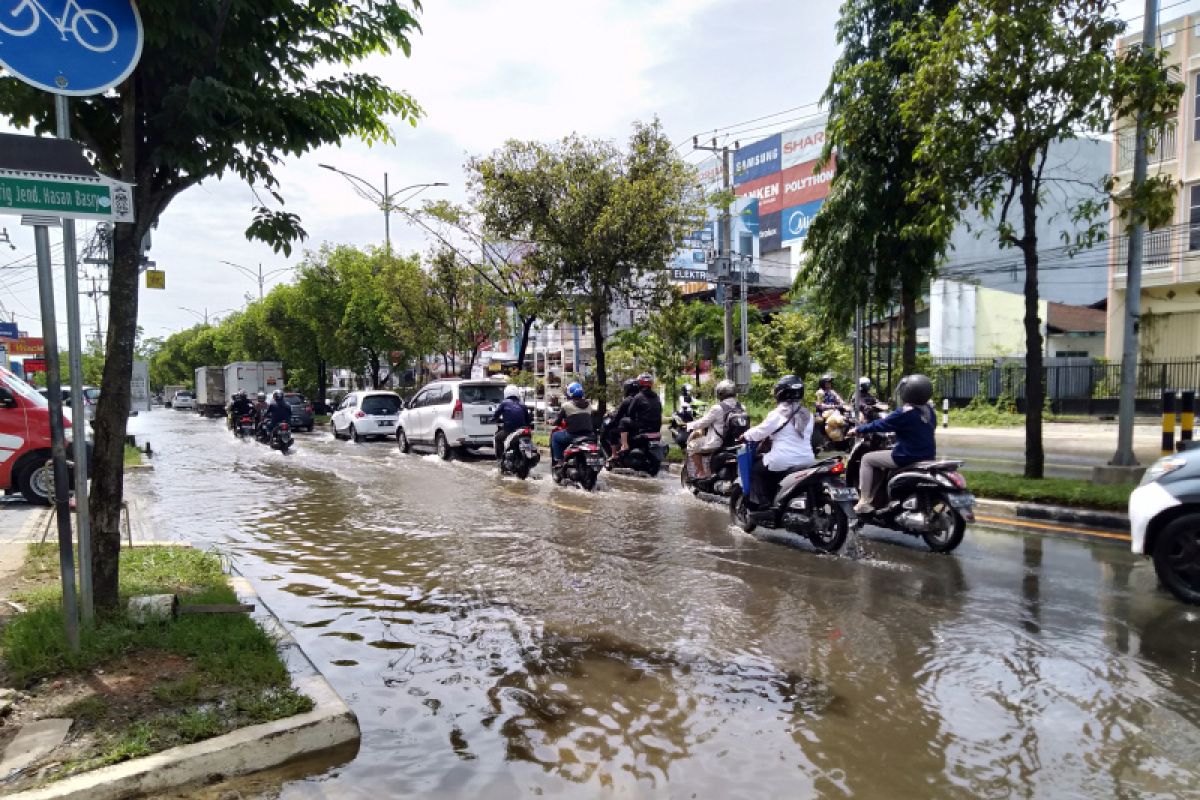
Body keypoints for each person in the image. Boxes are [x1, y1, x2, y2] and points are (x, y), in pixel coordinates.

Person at [848, 373, 937, 514]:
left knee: (867, 459)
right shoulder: (929, 411)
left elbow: (882, 424)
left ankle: (864, 501)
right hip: (928, 456)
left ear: (907, 393)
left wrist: (859, 429)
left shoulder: (904, 412)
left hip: (906, 455)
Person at [742, 375, 816, 507]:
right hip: (807, 459)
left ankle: (763, 504)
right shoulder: (808, 415)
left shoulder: (778, 413)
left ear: (780, 393)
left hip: (783, 459)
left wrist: (745, 435)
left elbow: (760, 432)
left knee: (756, 470)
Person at [686, 379, 742, 480]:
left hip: (717, 443)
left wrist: (688, 425)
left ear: (720, 393)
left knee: (692, 445)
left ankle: (701, 472)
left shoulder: (718, 408)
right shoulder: (741, 407)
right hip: (736, 444)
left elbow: (703, 422)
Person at [616, 373, 663, 459]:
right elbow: (660, 410)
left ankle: (624, 445)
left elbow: (630, 412)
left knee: (623, 421)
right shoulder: (656, 397)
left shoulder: (638, 396)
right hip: (656, 428)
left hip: (643, 427)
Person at [551, 382, 594, 465]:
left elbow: (557, 421)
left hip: (573, 435)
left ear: (569, 393)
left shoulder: (566, 406)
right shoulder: (589, 405)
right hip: (589, 435)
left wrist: (552, 422)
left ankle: (559, 461)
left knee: (555, 436)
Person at [491, 384, 532, 464]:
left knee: (498, 438)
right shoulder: (522, 404)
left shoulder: (504, 403)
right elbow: (528, 419)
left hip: (509, 429)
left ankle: (500, 460)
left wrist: (493, 419)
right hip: (523, 429)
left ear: (506, 393)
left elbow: (496, 414)